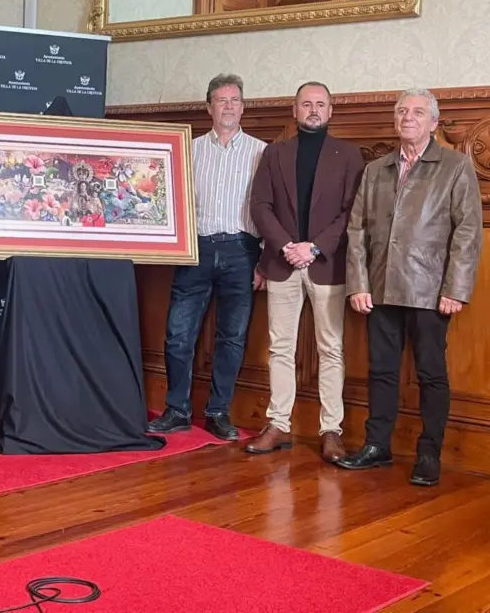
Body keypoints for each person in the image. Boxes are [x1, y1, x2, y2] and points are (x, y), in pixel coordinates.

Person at [338, 88, 483, 486]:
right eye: (402, 111)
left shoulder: (454, 166)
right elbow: (356, 230)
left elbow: (468, 231)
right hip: (380, 287)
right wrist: (358, 283)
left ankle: (428, 453)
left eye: (418, 112)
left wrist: (455, 288)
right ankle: (376, 445)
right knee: (381, 370)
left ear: (434, 123)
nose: (408, 117)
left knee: (431, 373)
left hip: (430, 290)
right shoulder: (376, 169)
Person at [244, 82, 365, 462]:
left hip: (326, 263)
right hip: (282, 265)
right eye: (306, 104)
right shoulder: (275, 154)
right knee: (280, 348)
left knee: (331, 349)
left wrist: (313, 247)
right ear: (294, 111)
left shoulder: (349, 156)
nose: (313, 109)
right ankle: (278, 424)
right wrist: (286, 247)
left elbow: (352, 212)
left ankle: (331, 430)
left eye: (320, 104)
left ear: (331, 111)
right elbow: (260, 205)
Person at [147, 74, 266, 441]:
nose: (228, 106)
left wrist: (263, 260)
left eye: (234, 100)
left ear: (243, 106)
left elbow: (270, 208)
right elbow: (167, 201)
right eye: (221, 100)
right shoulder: (188, 149)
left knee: (232, 337)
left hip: (242, 251)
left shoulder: (263, 152)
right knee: (178, 334)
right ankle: (177, 410)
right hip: (195, 249)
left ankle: (218, 412)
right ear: (209, 107)